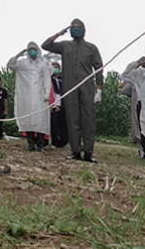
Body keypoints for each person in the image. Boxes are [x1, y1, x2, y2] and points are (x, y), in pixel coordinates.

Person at [42, 19, 103, 162]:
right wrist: (59, 33)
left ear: (83, 30)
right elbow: (46, 45)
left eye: (78, 27)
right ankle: (75, 151)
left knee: (88, 119)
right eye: (73, 28)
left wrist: (99, 88)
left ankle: (88, 152)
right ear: (69, 30)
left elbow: (99, 67)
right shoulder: (65, 45)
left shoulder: (91, 48)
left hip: (87, 87)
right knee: (72, 119)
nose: (76, 30)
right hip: (69, 87)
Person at [7, 42, 54, 151]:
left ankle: (41, 146)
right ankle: (31, 145)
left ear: (38, 50)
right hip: (25, 96)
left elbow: (47, 78)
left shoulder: (43, 63)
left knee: (40, 120)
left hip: (40, 96)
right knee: (28, 120)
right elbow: (10, 64)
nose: (32, 51)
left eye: (34, 49)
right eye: (30, 49)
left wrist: (47, 91)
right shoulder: (22, 63)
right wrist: (18, 54)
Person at [50, 61, 69, 148]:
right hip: (53, 104)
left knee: (63, 123)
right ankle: (55, 142)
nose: (55, 69)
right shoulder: (49, 79)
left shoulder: (64, 79)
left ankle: (63, 141)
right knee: (54, 124)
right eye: (53, 67)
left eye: (56, 67)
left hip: (64, 103)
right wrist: (56, 104)